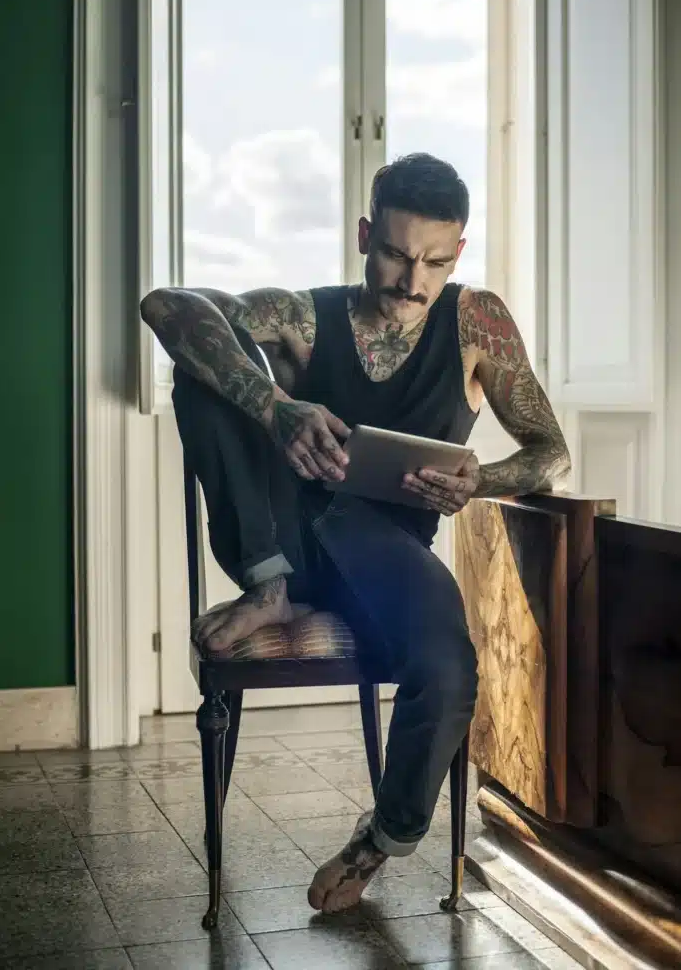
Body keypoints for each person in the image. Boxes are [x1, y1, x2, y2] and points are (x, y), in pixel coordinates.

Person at [140, 152, 571, 914]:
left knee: (447, 665)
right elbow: (168, 304)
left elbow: (551, 453)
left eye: (435, 261)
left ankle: (382, 840)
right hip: (286, 537)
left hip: (387, 552)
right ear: (366, 235)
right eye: (398, 255)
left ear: (458, 254)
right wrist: (276, 405)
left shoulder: (479, 322)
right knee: (202, 374)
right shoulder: (308, 316)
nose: (413, 282)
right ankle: (267, 587)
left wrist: (482, 481)